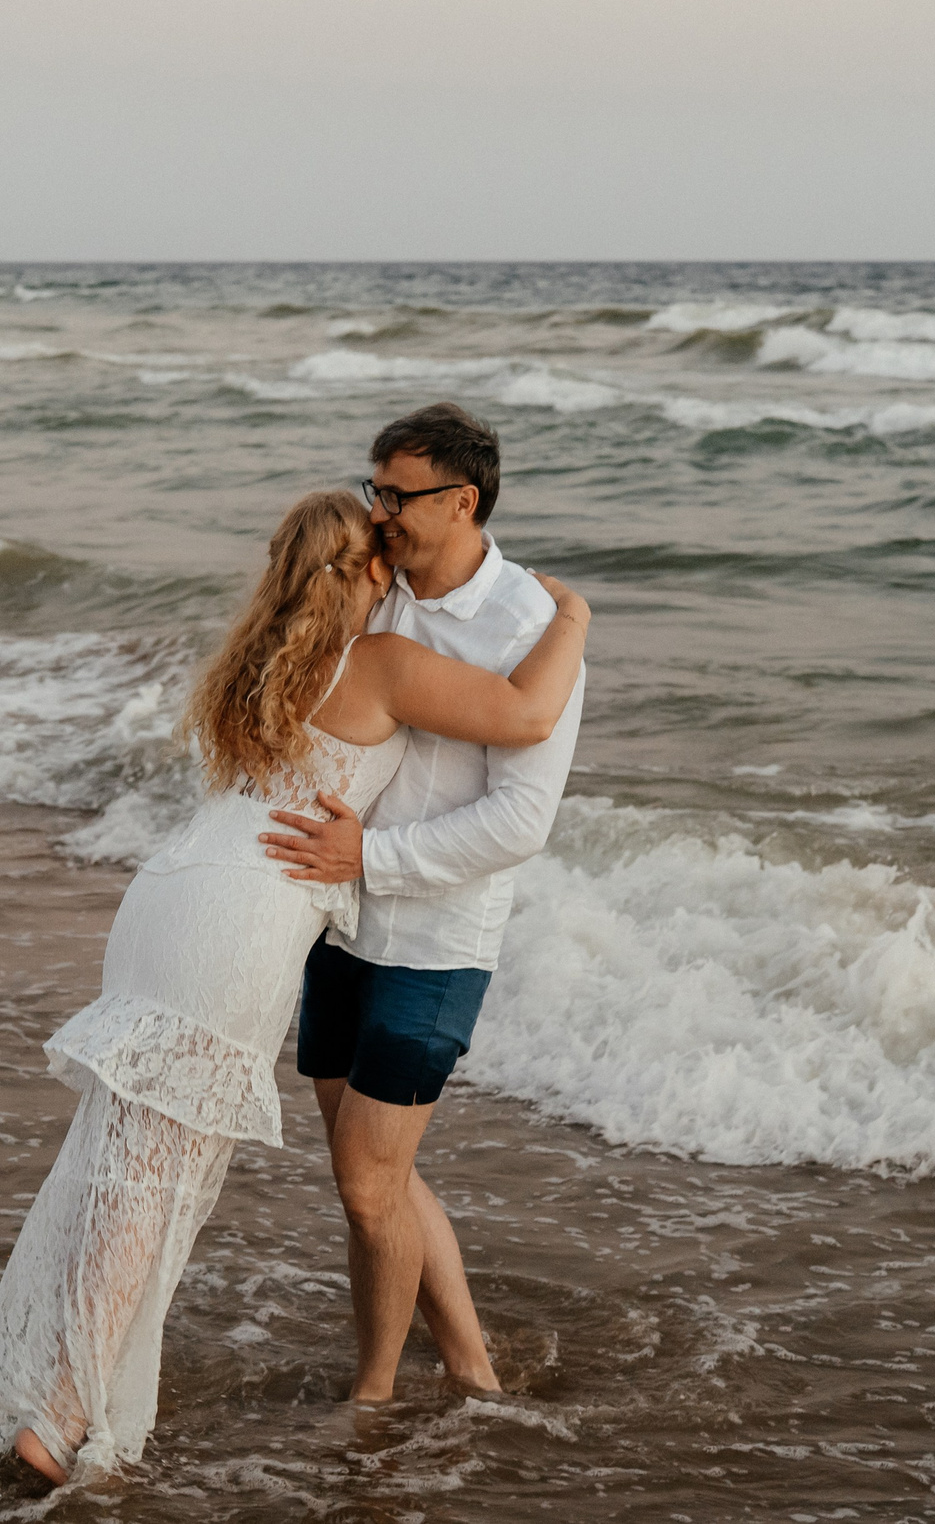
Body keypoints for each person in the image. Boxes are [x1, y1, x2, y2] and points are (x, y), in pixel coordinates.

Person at [0, 487, 590, 1484]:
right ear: (365, 573)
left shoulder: (256, 659)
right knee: (152, 1185)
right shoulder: (377, 662)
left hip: (164, 905)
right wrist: (573, 618)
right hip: (238, 930)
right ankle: (61, 1415)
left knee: (116, 1164)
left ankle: (52, 1389)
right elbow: (526, 712)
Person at [260, 402, 584, 1404]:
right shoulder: (374, 587)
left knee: (366, 1183)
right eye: (374, 488)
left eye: (399, 495)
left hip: (436, 942)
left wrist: (370, 857)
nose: (381, 511)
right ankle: (472, 1365)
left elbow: (517, 824)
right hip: (336, 921)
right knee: (373, 1180)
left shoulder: (526, 626)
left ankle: (371, 1396)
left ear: (465, 499)